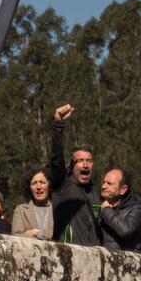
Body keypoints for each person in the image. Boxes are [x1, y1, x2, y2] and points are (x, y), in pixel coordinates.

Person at [46, 104, 102, 245]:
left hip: (93, 259)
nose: (85, 164)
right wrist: (58, 124)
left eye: (89, 160)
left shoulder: (96, 194)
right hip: (67, 258)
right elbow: (56, 158)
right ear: (71, 166)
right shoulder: (62, 185)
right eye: (80, 161)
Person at [93, 167, 141, 252]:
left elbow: (126, 231)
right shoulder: (97, 204)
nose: (104, 186)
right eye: (104, 182)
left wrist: (107, 210)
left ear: (123, 189)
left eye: (109, 183)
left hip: (125, 262)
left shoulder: (136, 210)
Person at [11, 169, 55, 240]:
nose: (38, 187)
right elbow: (16, 237)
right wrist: (48, 235)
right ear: (29, 187)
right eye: (34, 183)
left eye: (42, 182)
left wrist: (36, 232)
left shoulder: (58, 208)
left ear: (49, 185)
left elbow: (61, 235)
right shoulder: (20, 210)